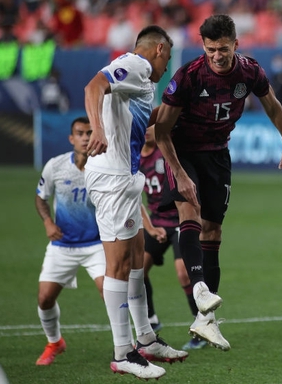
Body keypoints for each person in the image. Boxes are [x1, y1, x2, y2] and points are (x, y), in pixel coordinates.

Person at [153, 14, 282, 350]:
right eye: (211, 49)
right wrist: (180, 173)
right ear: (203, 46)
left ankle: (206, 321)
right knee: (190, 214)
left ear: (236, 43)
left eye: (224, 48)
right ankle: (200, 289)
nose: (218, 55)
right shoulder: (188, 77)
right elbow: (162, 131)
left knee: (213, 231)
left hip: (218, 155)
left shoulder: (249, 71)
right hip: (183, 151)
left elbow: (272, 105)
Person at [84, 25, 187, 380]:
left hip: (125, 177)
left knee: (135, 261)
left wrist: (178, 108)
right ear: (158, 49)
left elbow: (143, 117)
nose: (167, 64)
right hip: (110, 177)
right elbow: (94, 86)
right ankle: (122, 352)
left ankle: (145, 339)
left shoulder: (141, 83)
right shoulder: (137, 65)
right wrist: (96, 128)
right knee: (118, 264)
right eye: (168, 57)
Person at [34, 116, 102, 366]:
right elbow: (41, 197)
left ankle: (125, 349)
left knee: (111, 294)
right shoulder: (56, 165)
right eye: (80, 133)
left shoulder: (104, 165)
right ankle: (55, 342)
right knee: (45, 299)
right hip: (62, 245)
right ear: (71, 138)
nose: (85, 137)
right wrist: (47, 222)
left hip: (97, 245)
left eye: (89, 132)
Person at [139, 125, 207, 351]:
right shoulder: (134, 156)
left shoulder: (167, 151)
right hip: (156, 222)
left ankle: (203, 327)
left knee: (184, 275)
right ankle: (151, 318)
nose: (148, 130)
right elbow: (132, 197)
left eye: (152, 125)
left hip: (180, 220)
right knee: (137, 270)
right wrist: (149, 227)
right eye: (145, 126)